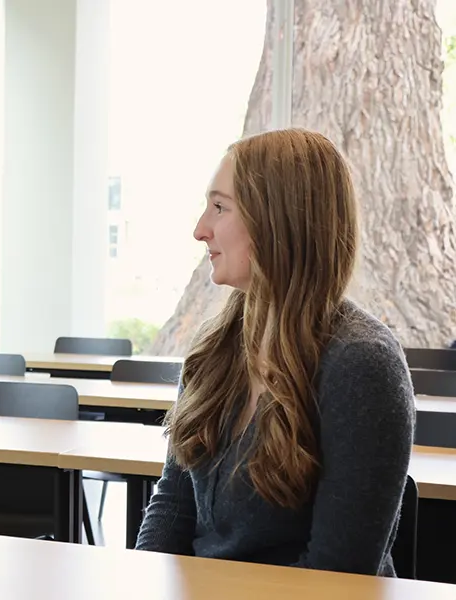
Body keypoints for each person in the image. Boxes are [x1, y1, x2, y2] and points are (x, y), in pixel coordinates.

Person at [135, 129, 414, 576]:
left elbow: (336, 573)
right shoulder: (216, 348)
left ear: (276, 221)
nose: (200, 229)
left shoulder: (361, 363)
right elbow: (174, 502)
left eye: (220, 207)